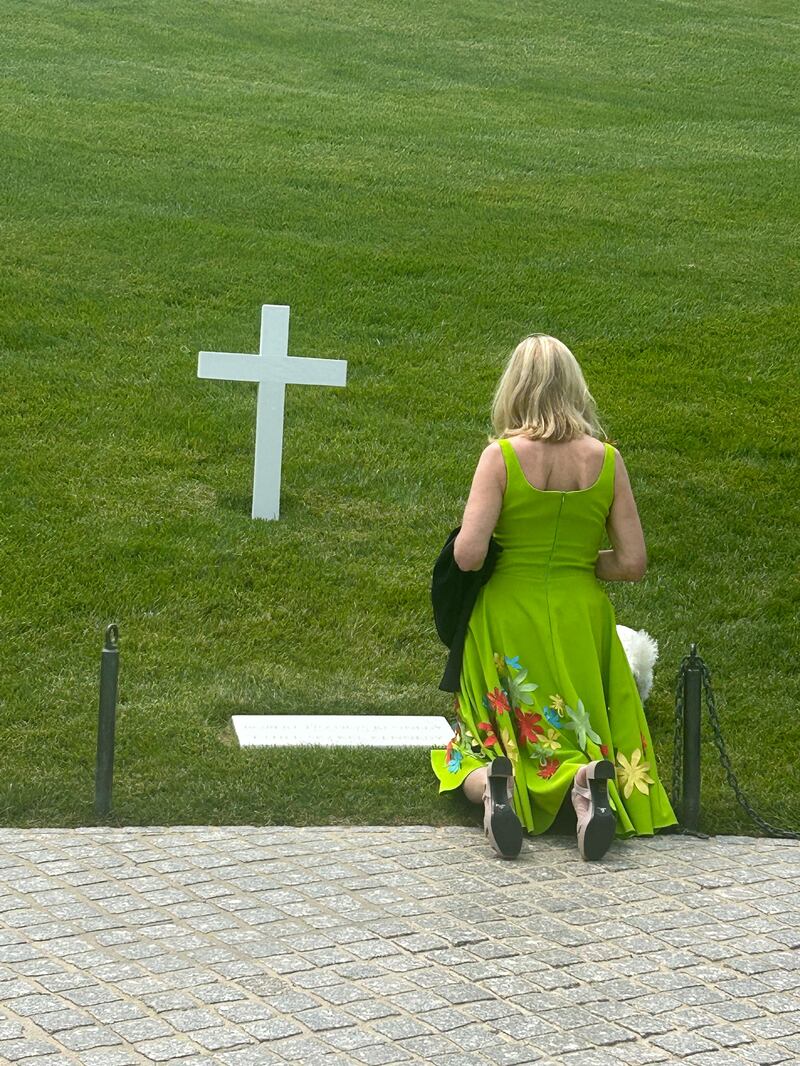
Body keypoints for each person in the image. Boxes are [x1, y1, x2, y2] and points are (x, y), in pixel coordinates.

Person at [430, 334, 677, 859]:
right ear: (575, 388)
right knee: (573, 728)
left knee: (478, 738)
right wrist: (578, 561)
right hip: (579, 615)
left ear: (514, 390)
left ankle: (492, 790)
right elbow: (632, 563)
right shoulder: (607, 461)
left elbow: (469, 555)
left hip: (505, 616)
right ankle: (584, 781)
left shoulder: (500, 458)